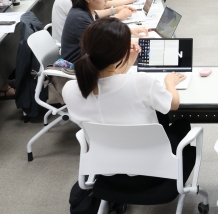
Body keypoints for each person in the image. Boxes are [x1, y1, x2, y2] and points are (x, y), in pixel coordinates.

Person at [62, 18, 192, 167]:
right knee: (181, 125)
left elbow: (109, 83)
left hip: (106, 170)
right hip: (150, 170)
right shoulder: (142, 83)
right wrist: (170, 82)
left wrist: (128, 62)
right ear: (119, 54)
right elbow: (173, 104)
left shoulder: (70, 89)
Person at [60, 0, 147, 63]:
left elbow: (104, 33)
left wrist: (130, 31)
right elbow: (106, 44)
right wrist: (139, 41)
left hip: (90, 59)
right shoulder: (80, 18)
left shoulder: (87, 11)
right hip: (80, 67)